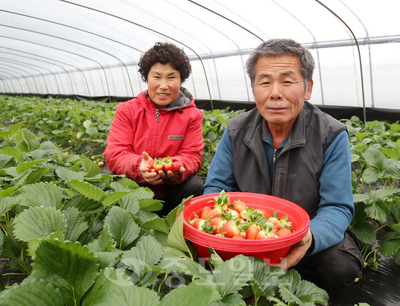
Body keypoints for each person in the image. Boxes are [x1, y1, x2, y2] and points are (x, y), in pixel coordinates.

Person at [203, 38, 363, 296]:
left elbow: (337, 206)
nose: (275, 93)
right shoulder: (235, 131)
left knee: (339, 268)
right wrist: (228, 232)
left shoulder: (330, 135)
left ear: (308, 88)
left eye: (287, 81)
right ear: (254, 87)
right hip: (245, 237)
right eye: (265, 82)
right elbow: (217, 188)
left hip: (303, 236)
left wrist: (308, 237)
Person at [103, 42, 204, 216]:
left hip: (169, 191)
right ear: (147, 78)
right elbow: (115, 153)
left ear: (180, 80)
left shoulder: (192, 115)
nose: (163, 85)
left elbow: (192, 155)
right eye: (157, 77)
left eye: (171, 77)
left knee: (195, 185)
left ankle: (172, 223)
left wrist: (173, 169)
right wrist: (139, 168)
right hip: (133, 191)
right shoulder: (127, 110)